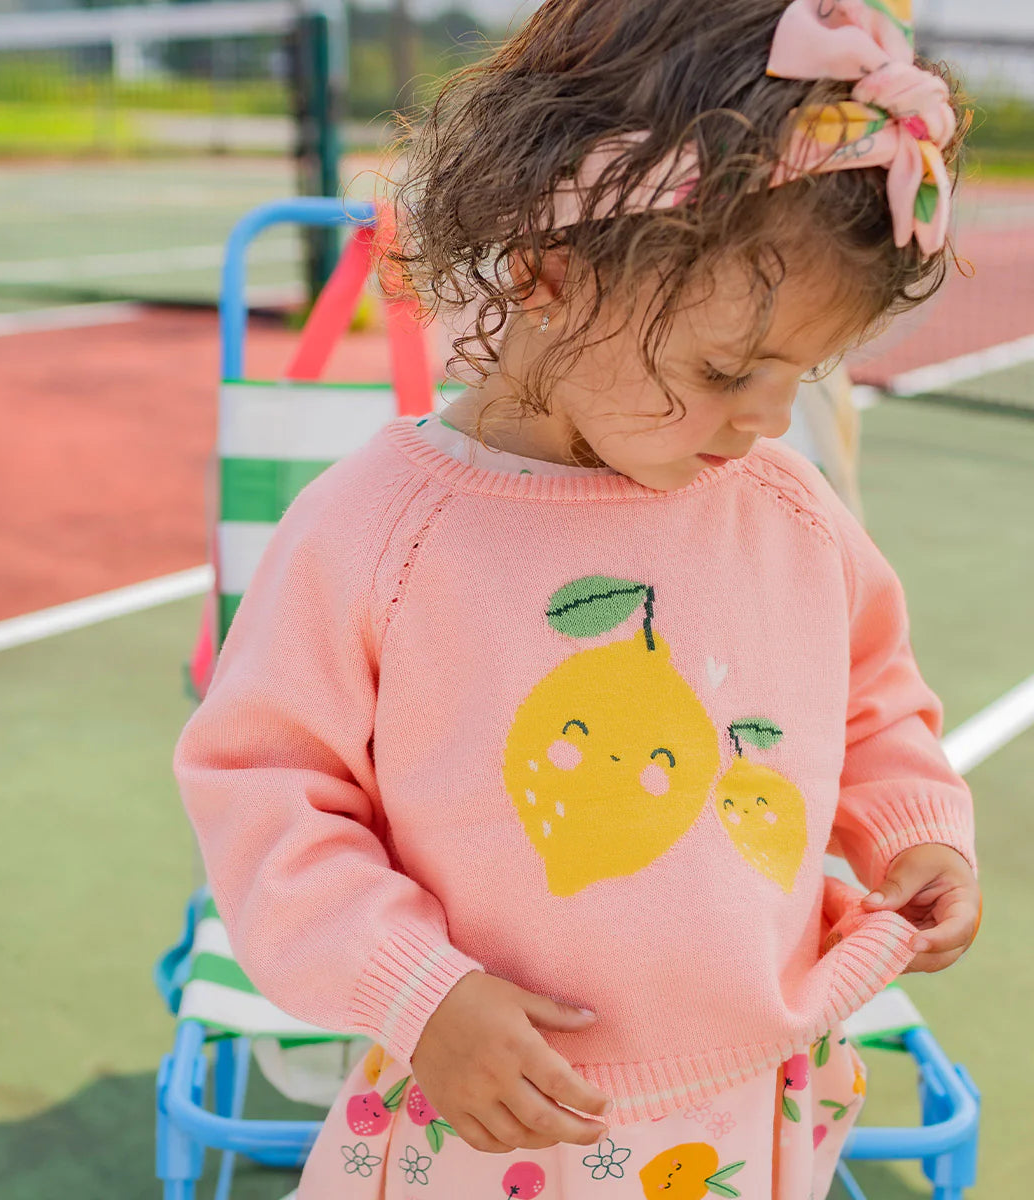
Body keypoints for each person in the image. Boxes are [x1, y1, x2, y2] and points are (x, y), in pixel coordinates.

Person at [174, 1, 983, 1196]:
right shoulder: (377, 531)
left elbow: (872, 701)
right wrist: (417, 990)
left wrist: (916, 830)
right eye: (724, 371)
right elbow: (268, 795)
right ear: (553, 275)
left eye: (800, 374)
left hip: (756, 1092)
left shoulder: (792, 511)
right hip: (486, 1112)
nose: (767, 418)